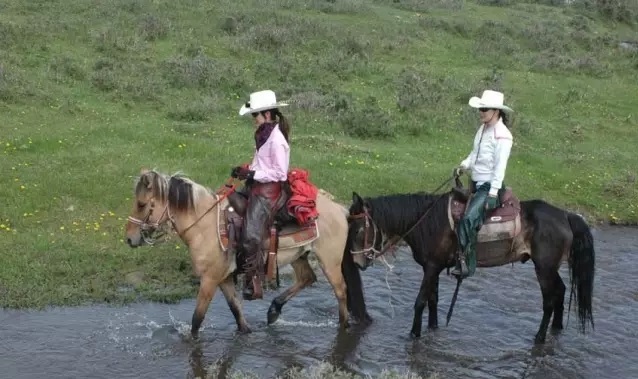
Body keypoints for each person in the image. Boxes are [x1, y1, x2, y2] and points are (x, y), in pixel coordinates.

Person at [229, 89, 291, 300]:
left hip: (269, 192)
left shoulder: (277, 140)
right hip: (256, 185)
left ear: (267, 114)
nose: (253, 119)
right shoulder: (263, 134)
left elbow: (280, 173)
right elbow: (261, 163)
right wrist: (245, 171)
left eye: (255, 115)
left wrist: (253, 173)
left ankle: (254, 282)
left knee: (250, 236)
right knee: (227, 204)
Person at [452, 90, 514, 279]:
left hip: (488, 187)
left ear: (496, 111)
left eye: (484, 108)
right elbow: (475, 154)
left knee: (468, 219)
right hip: (475, 182)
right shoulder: (483, 129)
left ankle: (465, 263)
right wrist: (463, 165)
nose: (480, 112)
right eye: (480, 108)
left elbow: (500, 168)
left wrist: (493, 194)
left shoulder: (503, 136)